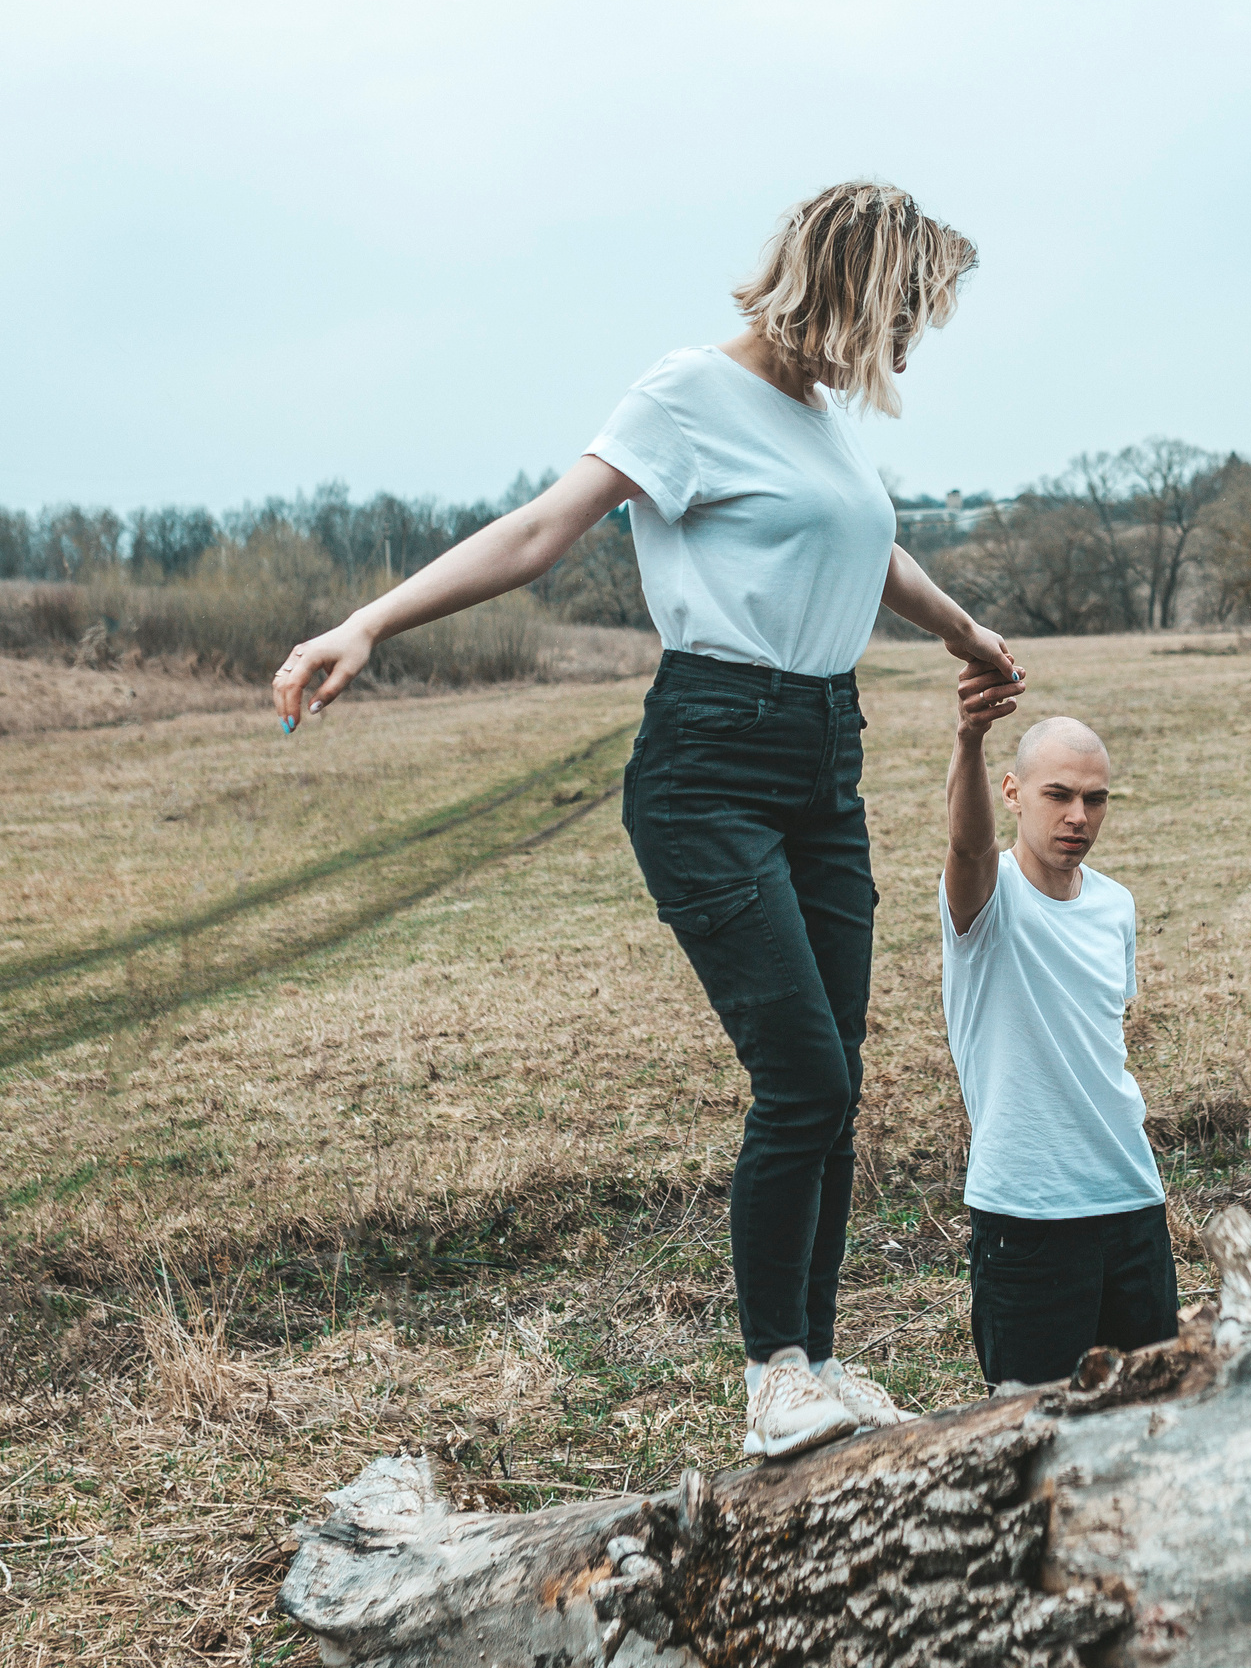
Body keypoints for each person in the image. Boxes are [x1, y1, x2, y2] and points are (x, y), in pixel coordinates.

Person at [270, 181, 1022, 1460]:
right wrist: (368, 622)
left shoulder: (820, 421)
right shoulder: (687, 392)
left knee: (834, 1081)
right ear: (853, 283)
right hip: (708, 767)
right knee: (803, 1072)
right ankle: (771, 1372)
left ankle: (818, 1362)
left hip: (821, 764)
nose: (911, 342)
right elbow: (538, 531)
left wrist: (961, 628)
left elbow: (863, 547)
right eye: (907, 310)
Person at [940, 681, 1178, 1385]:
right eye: (1058, 794)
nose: (1079, 815)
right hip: (1028, 1215)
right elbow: (968, 845)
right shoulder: (989, 899)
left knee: (1152, 1419)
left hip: (1132, 1199)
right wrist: (969, 738)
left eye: (1095, 799)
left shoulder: (1115, 905)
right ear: (1012, 792)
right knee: (1035, 1435)